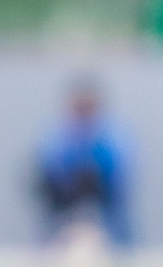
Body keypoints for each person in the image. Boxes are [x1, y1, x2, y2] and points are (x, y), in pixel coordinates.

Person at [36, 79, 133, 249]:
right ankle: (57, 239)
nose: (83, 112)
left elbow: (119, 167)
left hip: (103, 189)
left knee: (92, 178)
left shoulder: (111, 132)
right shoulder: (60, 133)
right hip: (66, 191)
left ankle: (117, 244)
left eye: (87, 106)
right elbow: (50, 164)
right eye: (79, 106)